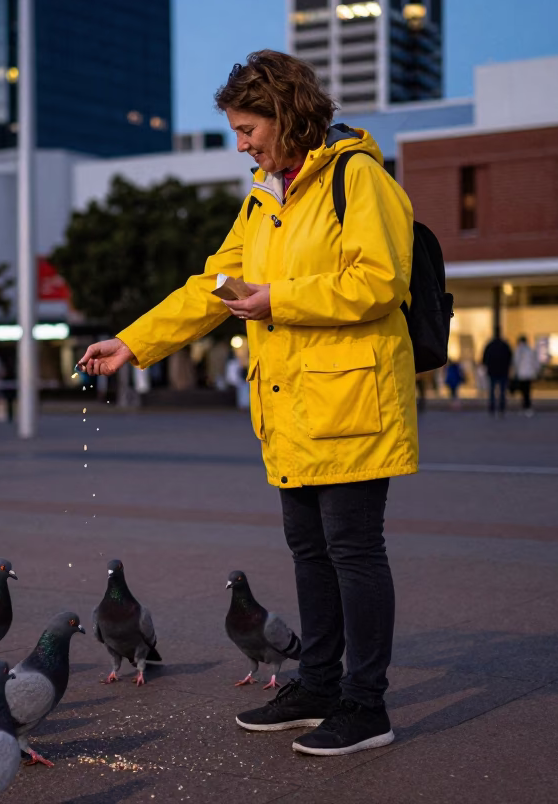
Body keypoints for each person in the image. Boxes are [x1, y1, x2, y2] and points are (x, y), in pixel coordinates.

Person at [79, 50, 414, 757]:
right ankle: (318, 685)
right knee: (309, 552)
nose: (241, 144)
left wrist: (279, 302)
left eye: (246, 127)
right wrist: (132, 345)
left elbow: (380, 282)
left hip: (352, 402)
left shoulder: (360, 178)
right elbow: (214, 287)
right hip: (292, 407)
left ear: (285, 113)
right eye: (235, 131)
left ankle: (366, 705)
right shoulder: (266, 197)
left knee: (354, 551)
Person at [481, 333, 512, 417]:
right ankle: (501, 409)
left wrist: (487, 367)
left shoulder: (490, 345)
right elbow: (510, 358)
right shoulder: (505, 346)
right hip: (503, 372)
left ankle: (492, 408)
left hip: (492, 372)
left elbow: (484, 359)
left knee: (491, 391)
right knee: (502, 392)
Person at [512, 335, 540, 417]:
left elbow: (515, 362)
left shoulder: (518, 350)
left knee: (523, 392)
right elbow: (536, 363)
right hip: (529, 374)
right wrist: (536, 371)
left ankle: (525, 407)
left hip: (521, 374)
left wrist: (515, 372)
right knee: (527, 392)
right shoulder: (530, 350)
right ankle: (527, 408)